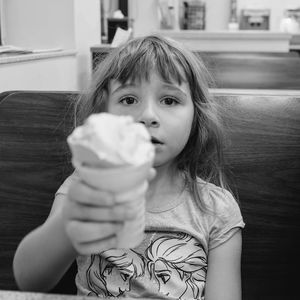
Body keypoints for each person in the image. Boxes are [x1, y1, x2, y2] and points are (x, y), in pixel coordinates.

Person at [13, 35, 245, 300]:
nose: (147, 115)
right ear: (105, 114)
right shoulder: (85, 186)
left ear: (196, 116)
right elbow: (29, 280)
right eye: (129, 100)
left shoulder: (216, 209)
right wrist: (71, 223)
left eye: (169, 100)